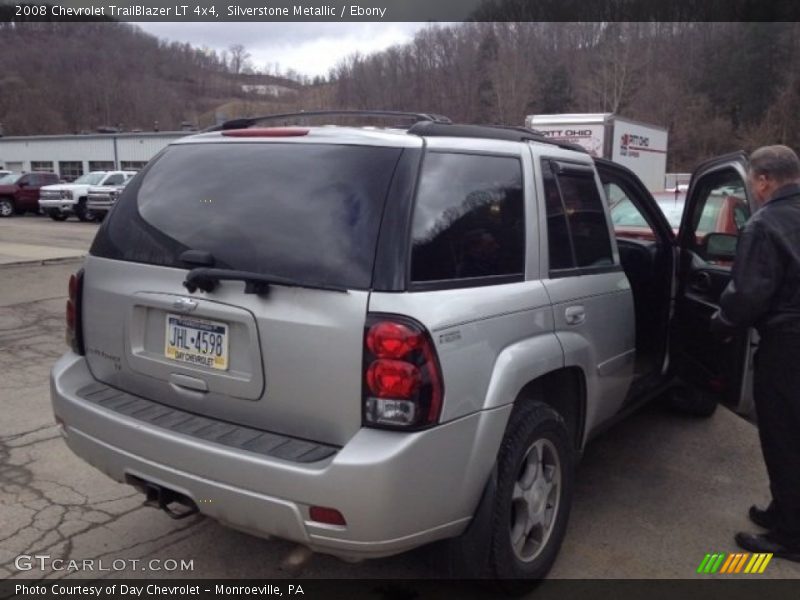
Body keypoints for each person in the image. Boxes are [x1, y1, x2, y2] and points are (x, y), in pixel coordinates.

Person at [711, 144, 800, 561]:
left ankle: (790, 536)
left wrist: (721, 324)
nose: (753, 188)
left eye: (752, 181)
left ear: (764, 180)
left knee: (783, 438)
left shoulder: (765, 224)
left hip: (787, 348)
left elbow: (748, 295)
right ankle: (784, 510)